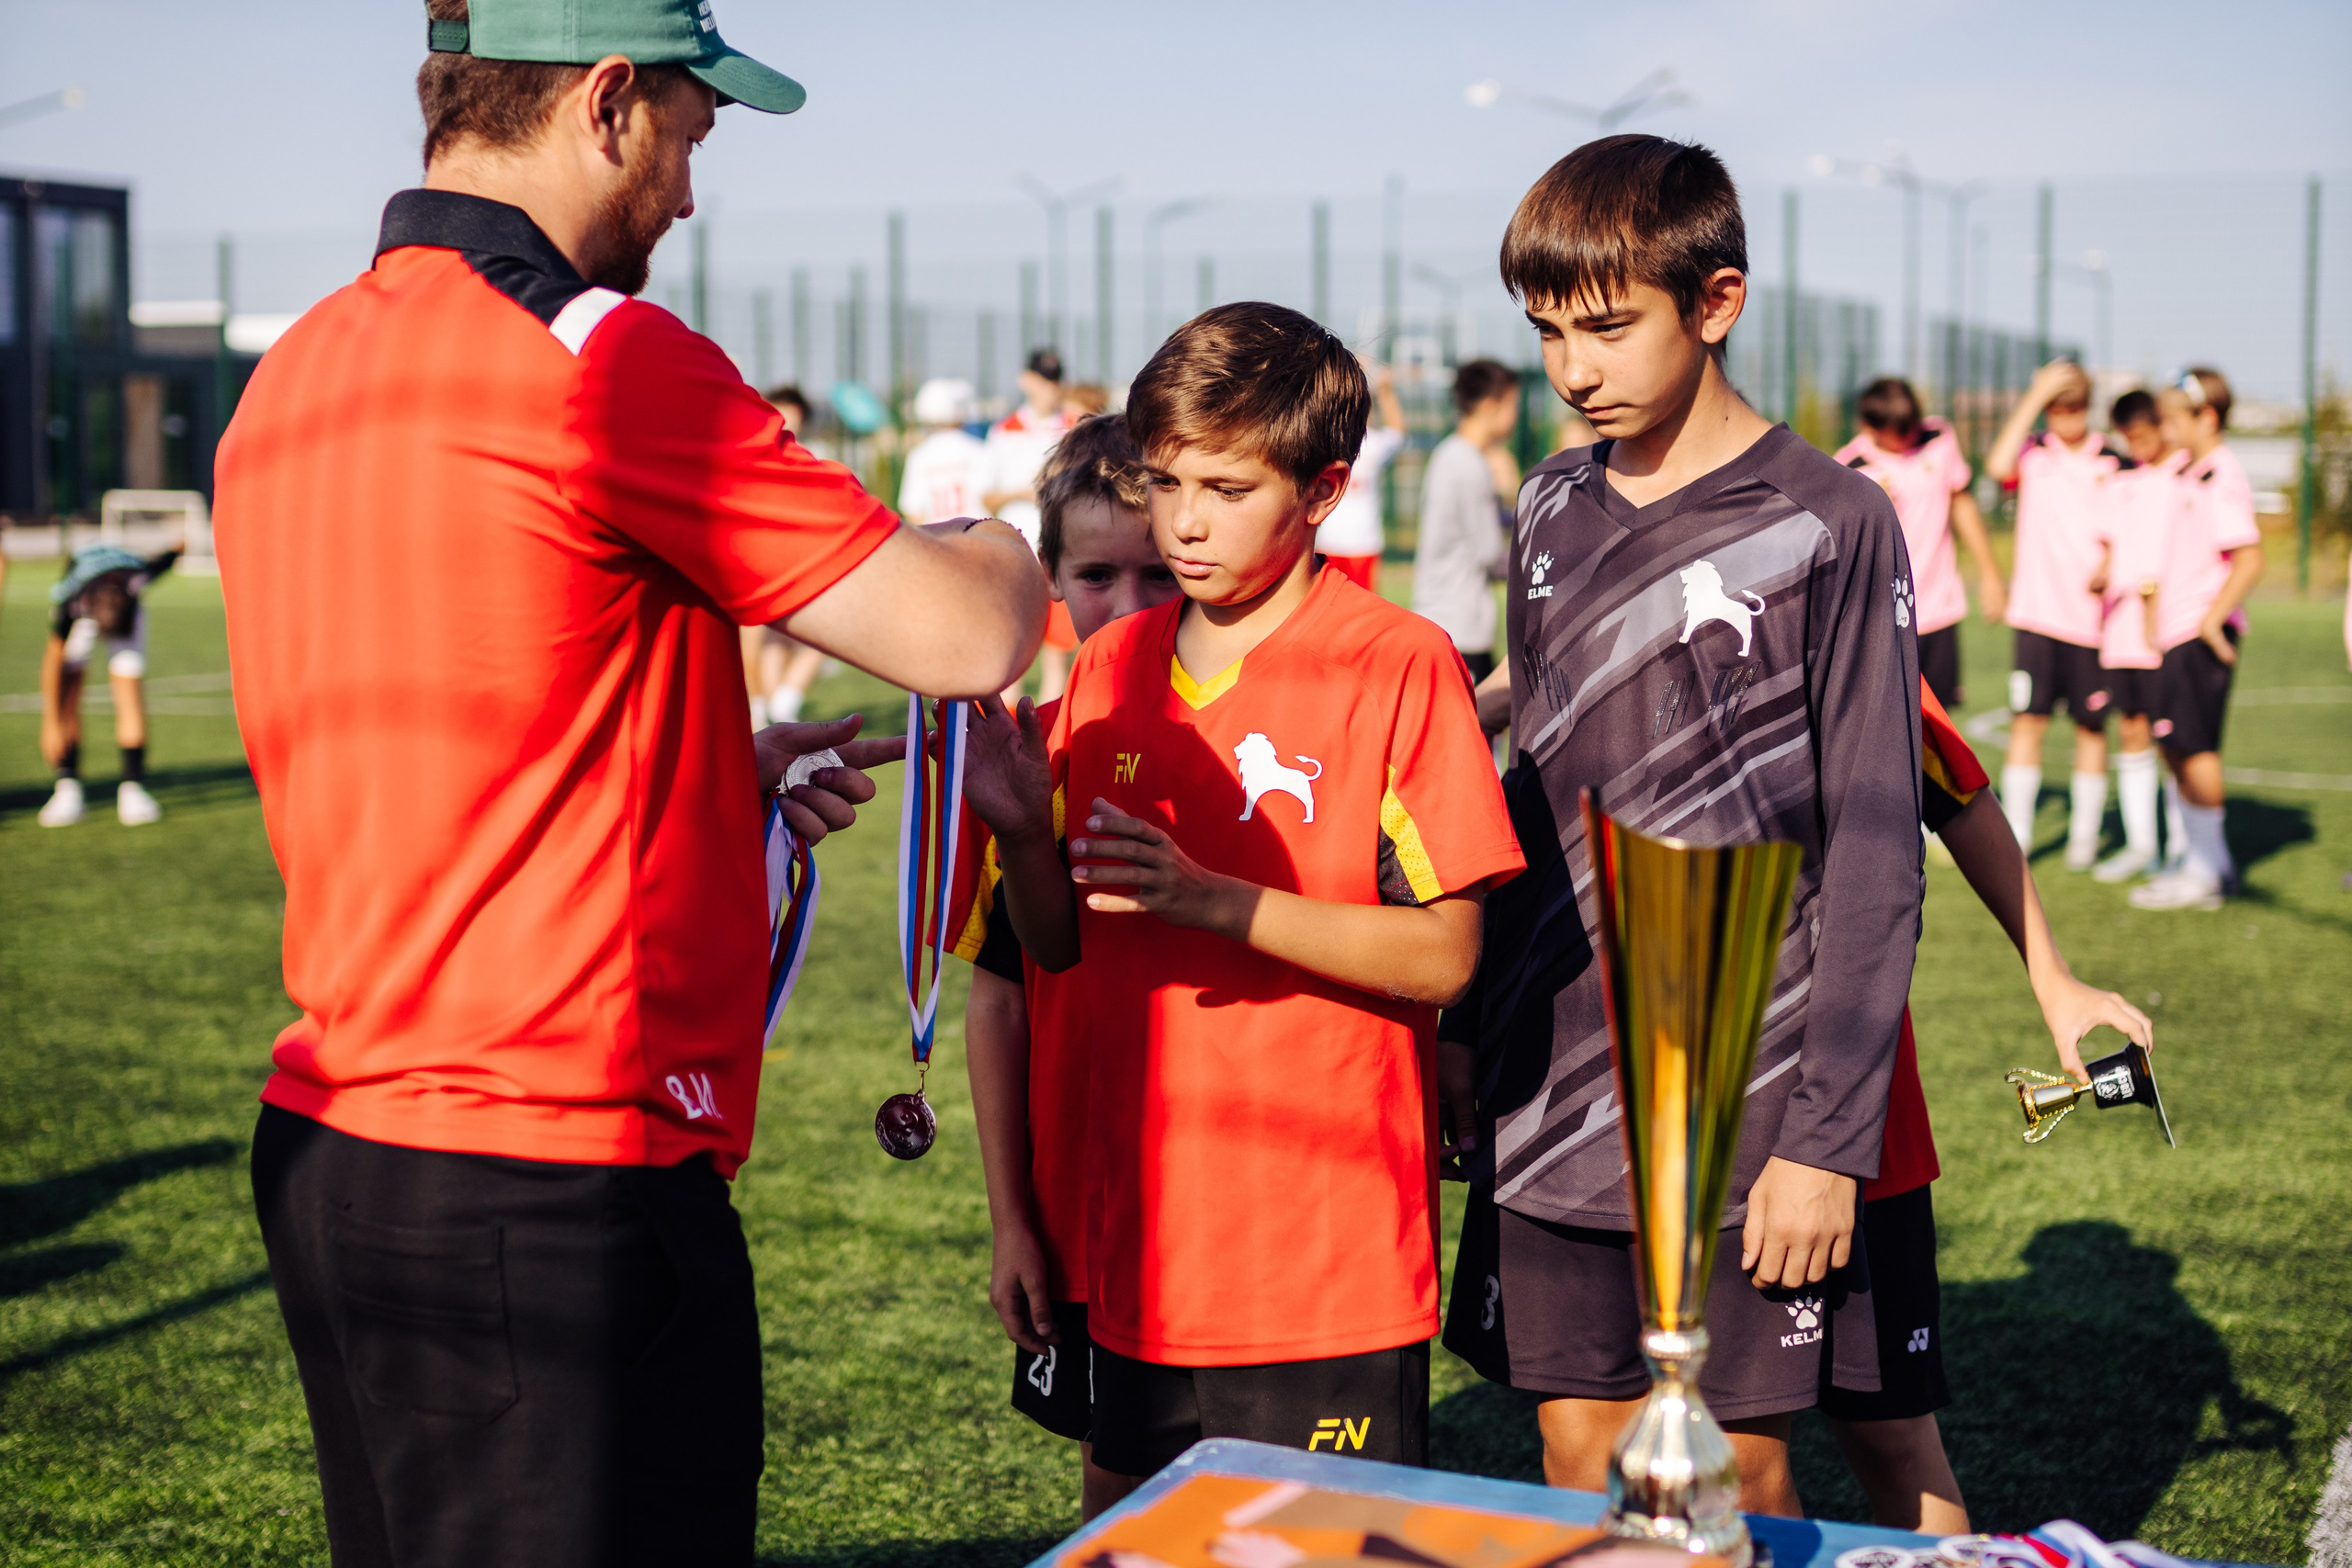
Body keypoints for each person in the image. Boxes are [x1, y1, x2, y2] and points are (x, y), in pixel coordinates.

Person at [215, 6, 1046, 1562]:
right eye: (686, 136)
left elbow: (447, 724)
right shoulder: (596, 355)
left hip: (344, 1151)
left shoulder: (299, 369)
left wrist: (692, 776)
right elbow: (960, 629)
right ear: (606, 103)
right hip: (549, 1179)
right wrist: (1019, 515)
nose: (683, 191)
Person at [1439, 135, 1920, 1514]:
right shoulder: (1546, 503)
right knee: (1577, 1454)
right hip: (1554, 1076)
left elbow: (1881, 848)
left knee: (1742, 1469)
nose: (1571, 369)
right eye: (1544, 334)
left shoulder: (1832, 517)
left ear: (1716, 303)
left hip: (1750, 1084)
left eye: (1606, 327)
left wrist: (1827, 1139)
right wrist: (1469, 1028)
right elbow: (1524, 785)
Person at [999, 302, 1523, 1495]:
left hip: (1320, 1261)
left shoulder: (1398, 662)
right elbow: (1056, 947)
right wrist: (1024, 828)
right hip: (1141, 1249)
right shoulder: (1107, 667)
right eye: (1169, 479)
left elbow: (1444, 955)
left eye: (1228, 488)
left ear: (1325, 489)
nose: (1184, 520)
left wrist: (1215, 901)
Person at [1821, 678, 2151, 1531]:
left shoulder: (1850, 590)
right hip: (1660, 1108)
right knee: (1689, 1442)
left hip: (1857, 1114)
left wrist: (2054, 979)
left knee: (1891, 1438)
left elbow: (1956, 794)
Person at [948, 413, 1180, 1520]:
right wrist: (1012, 1218)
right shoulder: (1014, 754)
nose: (1128, 607)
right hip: (1084, 1209)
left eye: (1158, 573)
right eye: (1097, 575)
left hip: (1231, 1206)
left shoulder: (1258, 734)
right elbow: (997, 999)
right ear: (1051, 582)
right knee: (1120, 1493)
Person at [2132, 368, 2263, 911]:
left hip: (2197, 636)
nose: (2165, 428)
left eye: (2173, 419)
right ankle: (2202, 862)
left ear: (2206, 417)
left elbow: (2249, 558)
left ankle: (2208, 870)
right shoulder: (2192, 472)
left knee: (2196, 748)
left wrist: (2212, 621)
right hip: (2175, 633)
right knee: (2175, 746)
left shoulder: (2219, 475)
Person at [1985, 362, 2121, 867]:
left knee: (2091, 728)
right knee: (2029, 722)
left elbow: (2128, 529)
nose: (2066, 422)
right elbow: (1998, 467)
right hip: (2036, 616)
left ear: (2089, 409)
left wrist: (2111, 563)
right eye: (2056, 411)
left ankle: (2084, 837)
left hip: (2091, 622)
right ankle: (2017, 836)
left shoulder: (2112, 460)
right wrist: (2034, 393)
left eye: (2074, 411)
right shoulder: (2033, 452)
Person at [1838, 377, 2006, 708]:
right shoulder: (1847, 467)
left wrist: (1990, 575)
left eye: (1911, 428)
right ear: (1869, 428)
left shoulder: (1940, 437)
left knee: (1939, 727)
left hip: (1938, 609)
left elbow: (1962, 503)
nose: (1909, 438)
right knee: (1889, 722)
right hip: (1882, 618)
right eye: (1898, 434)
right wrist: (1872, 509)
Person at [2086, 390, 2184, 881]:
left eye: (2143, 435)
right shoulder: (2120, 482)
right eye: (2130, 438)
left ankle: (2186, 849)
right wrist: (2102, 574)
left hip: (2165, 629)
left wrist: (2152, 598)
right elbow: (2114, 546)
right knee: (2132, 728)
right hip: (2121, 629)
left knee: (2176, 738)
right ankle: (2142, 845)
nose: (2137, 445)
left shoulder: (2186, 477)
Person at [37, 545, 177, 828]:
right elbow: (52, 663)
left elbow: (165, 558)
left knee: (129, 690)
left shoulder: (138, 578)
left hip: (125, 604)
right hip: (85, 593)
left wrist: (178, 546)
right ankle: (68, 789)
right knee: (69, 689)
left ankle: (133, 788)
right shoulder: (70, 601)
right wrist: (51, 722)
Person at [1413, 358, 1520, 682]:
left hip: (1443, 619)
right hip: (1458, 625)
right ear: (1491, 406)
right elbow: (1490, 554)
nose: (1515, 416)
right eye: (1513, 404)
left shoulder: (1450, 454)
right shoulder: (1469, 465)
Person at [984, 349, 1079, 699]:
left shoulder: (1073, 425)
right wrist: (1022, 493)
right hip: (1019, 552)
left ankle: (1050, 743)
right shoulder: (1004, 431)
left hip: (1059, 550)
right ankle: (1012, 742)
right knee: (1016, 654)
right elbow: (987, 496)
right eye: (1042, 379)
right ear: (1026, 380)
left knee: (1057, 656)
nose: (1049, 388)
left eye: (1054, 380)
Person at [743, 381, 827, 726]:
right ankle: (762, 710)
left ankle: (777, 708)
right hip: (758, 559)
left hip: (796, 562)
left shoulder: (811, 458)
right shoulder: (753, 456)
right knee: (754, 637)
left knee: (794, 638)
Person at [1318, 360, 1408, 592]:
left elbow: (1397, 433)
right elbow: (1398, 430)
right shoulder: (1325, 440)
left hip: (1362, 543)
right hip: (1332, 542)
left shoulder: (1372, 442)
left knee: (1357, 611)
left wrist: (1386, 391)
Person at [897, 377, 987, 525]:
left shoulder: (919, 455)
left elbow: (913, 511)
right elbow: (990, 500)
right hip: (977, 538)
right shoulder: (979, 449)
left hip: (939, 541)